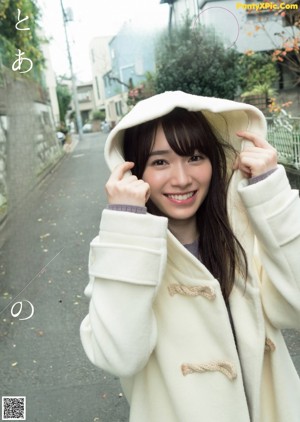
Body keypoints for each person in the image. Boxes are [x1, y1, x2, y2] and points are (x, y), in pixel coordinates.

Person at [80, 91, 300, 422]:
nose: (182, 179)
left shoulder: (247, 240)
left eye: (195, 157)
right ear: (132, 173)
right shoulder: (122, 253)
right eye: (159, 162)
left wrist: (272, 194)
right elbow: (119, 357)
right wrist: (125, 223)